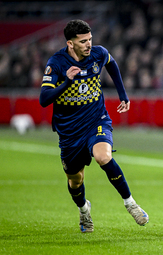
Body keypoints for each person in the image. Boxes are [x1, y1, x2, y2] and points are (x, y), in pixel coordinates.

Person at [39, 19, 149, 233]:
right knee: (75, 180)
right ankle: (84, 210)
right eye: (83, 42)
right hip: (69, 130)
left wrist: (122, 95)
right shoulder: (57, 63)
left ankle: (130, 203)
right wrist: (66, 83)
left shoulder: (98, 53)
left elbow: (112, 64)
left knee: (103, 156)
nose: (89, 45)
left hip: (96, 119)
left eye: (90, 39)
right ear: (70, 44)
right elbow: (44, 99)